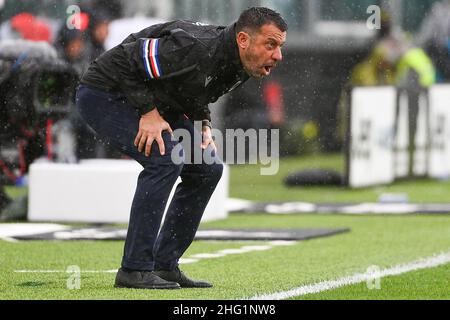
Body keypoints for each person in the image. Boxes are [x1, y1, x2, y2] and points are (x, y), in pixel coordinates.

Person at [76, 7, 287, 289]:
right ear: (243, 40)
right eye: (270, 44)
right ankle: (134, 269)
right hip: (105, 93)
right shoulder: (195, 46)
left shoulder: (242, 62)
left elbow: (194, 87)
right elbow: (130, 58)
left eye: (280, 46)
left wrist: (203, 122)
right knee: (164, 159)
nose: (278, 55)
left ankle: (164, 265)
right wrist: (147, 112)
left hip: (158, 101)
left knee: (207, 169)